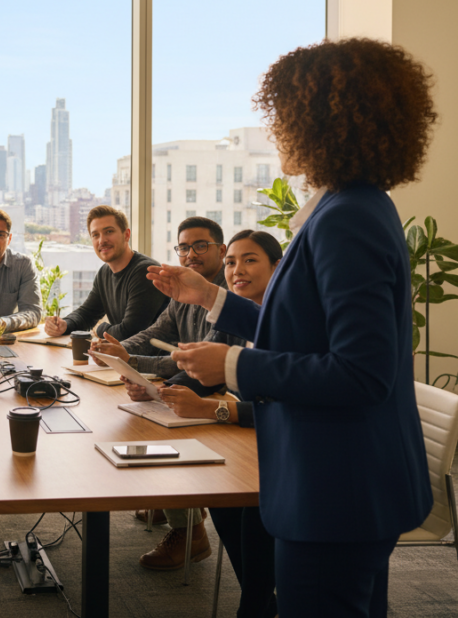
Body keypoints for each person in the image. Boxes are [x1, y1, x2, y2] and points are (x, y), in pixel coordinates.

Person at [149, 38, 435, 618]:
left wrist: (232, 365)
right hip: (343, 481)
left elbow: (362, 372)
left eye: (282, 116)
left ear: (322, 121)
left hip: (335, 488)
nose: (276, 130)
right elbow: (308, 332)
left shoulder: (346, 219)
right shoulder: (347, 204)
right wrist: (209, 296)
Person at [89, 216, 246, 570]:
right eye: (184, 247)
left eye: (200, 246)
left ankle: (190, 531)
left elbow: (202, 364)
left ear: (221, 250)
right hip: (192, 385)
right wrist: (118, 351)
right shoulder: (185, 291)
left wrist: (143, 369)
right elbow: (155, 332)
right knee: (138, 417)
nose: (190, 254)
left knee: (156, 424)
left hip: (218, 397)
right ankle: (174, 504)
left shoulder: (229, 295)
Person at [156, 229, 282, 618]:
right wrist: (157, 390)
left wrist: (214, 411)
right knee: (222, 496)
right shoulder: (235, 315)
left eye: (250, 260)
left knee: (251, 509)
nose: (236, 270)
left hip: (279, 443)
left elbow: (281, 405)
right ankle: (260, 600)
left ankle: (256, 605)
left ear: (277, 268)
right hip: (252, 441)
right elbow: (200, 371)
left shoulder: (282, 323)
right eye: (231, 262)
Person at [44, 205, 168, 340]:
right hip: (125, 356)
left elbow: (129, 332)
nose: (102, 240)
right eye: (95, 235)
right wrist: (65, 324)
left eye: (109, 231)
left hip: (154, 358)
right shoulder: (105, 273)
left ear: (126, 235)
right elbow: (87, 314)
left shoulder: (145, 272)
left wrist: (100, 328)